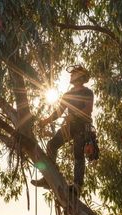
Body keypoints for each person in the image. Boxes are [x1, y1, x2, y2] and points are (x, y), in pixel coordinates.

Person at [32, 65, 94, 195]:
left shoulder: (87, 92)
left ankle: (77, 187)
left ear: (80, 76)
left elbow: (88, 111)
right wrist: (45, 121)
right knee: (51, 145)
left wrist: (74, 115)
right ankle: (48, 178)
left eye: (73, 74)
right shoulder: (68, 94)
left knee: (78, 154)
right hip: (70, 127)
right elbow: (59, 112)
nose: (71, 76)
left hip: (83, 127)